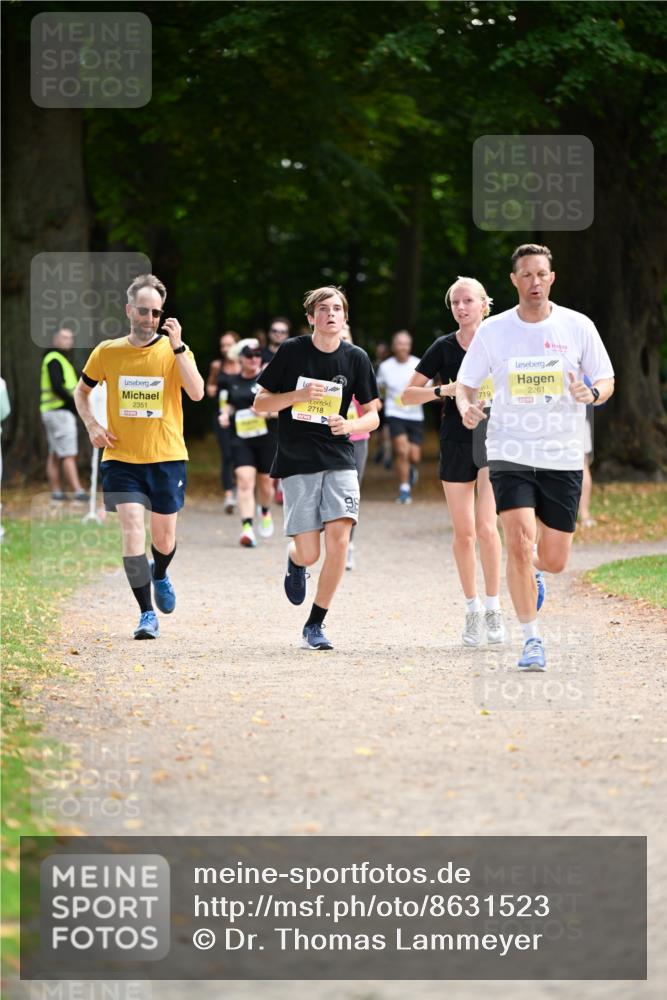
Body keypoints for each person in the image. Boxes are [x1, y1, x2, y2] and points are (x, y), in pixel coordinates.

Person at [456, 244, 615, 671]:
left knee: (555, 558)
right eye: (526, 275)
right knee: (519, 543)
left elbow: (606, 377)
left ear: (552, 277)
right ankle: (531, 640)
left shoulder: (577, 325)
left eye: (541, 274)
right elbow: (466, 383)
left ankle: (536, 572)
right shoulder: (494, 330)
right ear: (514, 281)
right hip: (509, 450)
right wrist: (465, 407)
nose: (534, 282)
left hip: (561, 452)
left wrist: (593, 392)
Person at [74, 273, 205, 640]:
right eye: (143, 311)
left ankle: (160, 572)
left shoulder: (175, 350)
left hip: (166, 457)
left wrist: (178, 347)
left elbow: (196, 394)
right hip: (120, 458)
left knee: (163, 541)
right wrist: (92, 426)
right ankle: (146, 613)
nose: (150, 318)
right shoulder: (107, 351)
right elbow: (80, 392)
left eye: (157, 312)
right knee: (132, 530)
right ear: (129, 310)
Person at [254, 286, 379, 650]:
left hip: (340, 457)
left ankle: (315, 623)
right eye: (323, 309)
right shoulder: (292, 351)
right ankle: (295, 561)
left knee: (339, 540)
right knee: (311, 553)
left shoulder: (356, 357)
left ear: (345, 317)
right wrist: (295, 397)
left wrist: (351, 425)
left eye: (337, 308)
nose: (330, 315)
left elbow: (373, 414)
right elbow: (260, 402)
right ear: (311, 317)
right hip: (298, 460)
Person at [403, 277, 506, 646]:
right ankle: (472, 609)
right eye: (455, 303)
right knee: (463, 533)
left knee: (486, 527)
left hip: (495, 437)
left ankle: (494, 607)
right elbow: (406, 395)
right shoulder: (443, 347)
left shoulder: (500, 340)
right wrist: (444, 389)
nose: (461, 308)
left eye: (468, 301)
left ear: (483, 304)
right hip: (456, 439)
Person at [217, 338, 277, 547]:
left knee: (266, 485)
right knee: (244, 481)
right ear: (241, 359)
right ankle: (247, 528)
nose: (254, 359)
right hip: (241, 439)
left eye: (257, 355)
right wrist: (225, 415)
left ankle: (265, 511)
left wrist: (267, 413)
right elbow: (228, 405)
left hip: (267, 439)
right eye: (249, 356)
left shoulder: (269, 380)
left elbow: (284, 409)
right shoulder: (232, 381)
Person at [40, 327, 89, 502]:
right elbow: (57, 387)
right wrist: (74, 404)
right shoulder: (55, 359)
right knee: (68, 453)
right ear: (54, 339)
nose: (68, 341)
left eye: (70, 338)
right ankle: (78, 491)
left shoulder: (55, 358)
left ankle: (57, 492)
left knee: (54, 452)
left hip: (50, 412)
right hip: (60, 412)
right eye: (64, 337)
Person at [376, 331, 424, 504]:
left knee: (414, 456)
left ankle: (411, 471)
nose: (402, 347)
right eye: (399, 343)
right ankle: (404, 489)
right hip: (394, 413)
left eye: (406, 343)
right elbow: (380, 389)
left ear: (410, 346)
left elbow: (428, 387)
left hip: (415, 415)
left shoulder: (418, 364)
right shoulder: (385, 366)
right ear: (393, 346)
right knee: (401, 450)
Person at [339, 324, 372, 571]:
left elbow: (374, 409)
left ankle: (348, 545)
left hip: (357, 438)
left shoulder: (360, 364)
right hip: (327, 439)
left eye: (345, 337)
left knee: (351, 494)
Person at [206, 330, 241, 513]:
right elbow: (210, 384)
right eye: (223, 345)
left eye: (229, 344)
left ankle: (241, 488)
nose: (226, 349)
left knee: (240, 454)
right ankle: (229, 495)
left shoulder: (245, 364)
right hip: (221, 416)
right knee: (227, 454)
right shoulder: (217, 365)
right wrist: (211, 389)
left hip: (243, 417)